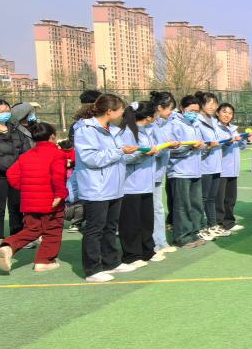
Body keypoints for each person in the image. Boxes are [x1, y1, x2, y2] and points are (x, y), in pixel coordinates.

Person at [73, 94, 137, 282]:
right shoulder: (86, 130)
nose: (122, 113)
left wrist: (140, 152)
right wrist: (120, 151)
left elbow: (119, 156)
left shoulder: (114, 130)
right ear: (109, 111)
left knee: (110, 227)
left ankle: (112, 262)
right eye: (120, 110)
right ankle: (92, 270)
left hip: (114, 186)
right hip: (96, 188)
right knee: (95, 229)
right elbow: (91, 158)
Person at [0, 122, 67, 274]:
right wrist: (60, 194)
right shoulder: (57, 154)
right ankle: (44, 261)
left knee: (32, 229)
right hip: (50, 200)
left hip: (29, 201)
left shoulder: (25, 156)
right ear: (52, 136)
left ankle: (9, 246)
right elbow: (58, 177)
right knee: (52, 230)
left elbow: (11, 174)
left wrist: (27, 187)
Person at [116, 101, 164, 270]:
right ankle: (132, 255)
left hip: (146, 183)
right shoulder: (126, 132)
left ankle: (147, 250)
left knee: (146, 220)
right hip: (131, 185)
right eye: (155, 114)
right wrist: (143, 154)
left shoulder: (146, 131)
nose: (157, 116)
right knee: (131, 223)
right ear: (149, 117)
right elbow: (124, 157)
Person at [0, 99, 32, 249]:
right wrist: (12, 168)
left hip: (17, 175)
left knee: (16, 206)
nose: (5, 114)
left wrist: (20, 168)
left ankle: (18, 236)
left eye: (7, 111)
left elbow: (26, 150)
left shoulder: (15, 129)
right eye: (1, 111)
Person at [163, 95, 208, 250]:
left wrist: (202, 146)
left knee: (195, 204)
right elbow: (169, 148)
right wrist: (189, 147)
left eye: (196, 111)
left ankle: (194, 232)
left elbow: (200, 145)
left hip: (195, 170)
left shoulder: (195, 124)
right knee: (182, 206)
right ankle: (182, 236)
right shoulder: (173, 124)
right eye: (191, 110)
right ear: (182, 108)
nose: (194, 113)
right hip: (180, 171)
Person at [148, 91, 178, 257]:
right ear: (160, 108)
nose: (171, 113)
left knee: (158, 209)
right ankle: (155, 244)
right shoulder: (150, 125)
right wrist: (165, 146)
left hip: (158, 172)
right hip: (149, 173)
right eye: (169, 109)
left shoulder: (162, 124)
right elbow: (152, 148)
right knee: (153, 210)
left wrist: (169, 145)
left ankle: (160, 242)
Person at [192, 91, 225, 240]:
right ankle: (200, 227)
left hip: (216, 165)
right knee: (202, 198)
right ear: (201, 105)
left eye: (214, 103)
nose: (212, 106)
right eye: (209, 103)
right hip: (204, 166)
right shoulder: (197, 122)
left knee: (211, 198)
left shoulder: (214, 121)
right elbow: (197, 145)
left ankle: (212, 226)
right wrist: (208, 146)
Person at [215, 102, 248, 234]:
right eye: (224, 112)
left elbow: (241, 146)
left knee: (230, 198)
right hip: (221, 169)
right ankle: (219, 224)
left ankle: (229, 222)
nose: (227, 115)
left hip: (233, 169)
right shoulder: (215, 128)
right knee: (219, 199)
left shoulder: (233, 128)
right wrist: (228, 142)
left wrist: (243, 139)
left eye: (230, 113)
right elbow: (216, 145)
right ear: (217, 113)